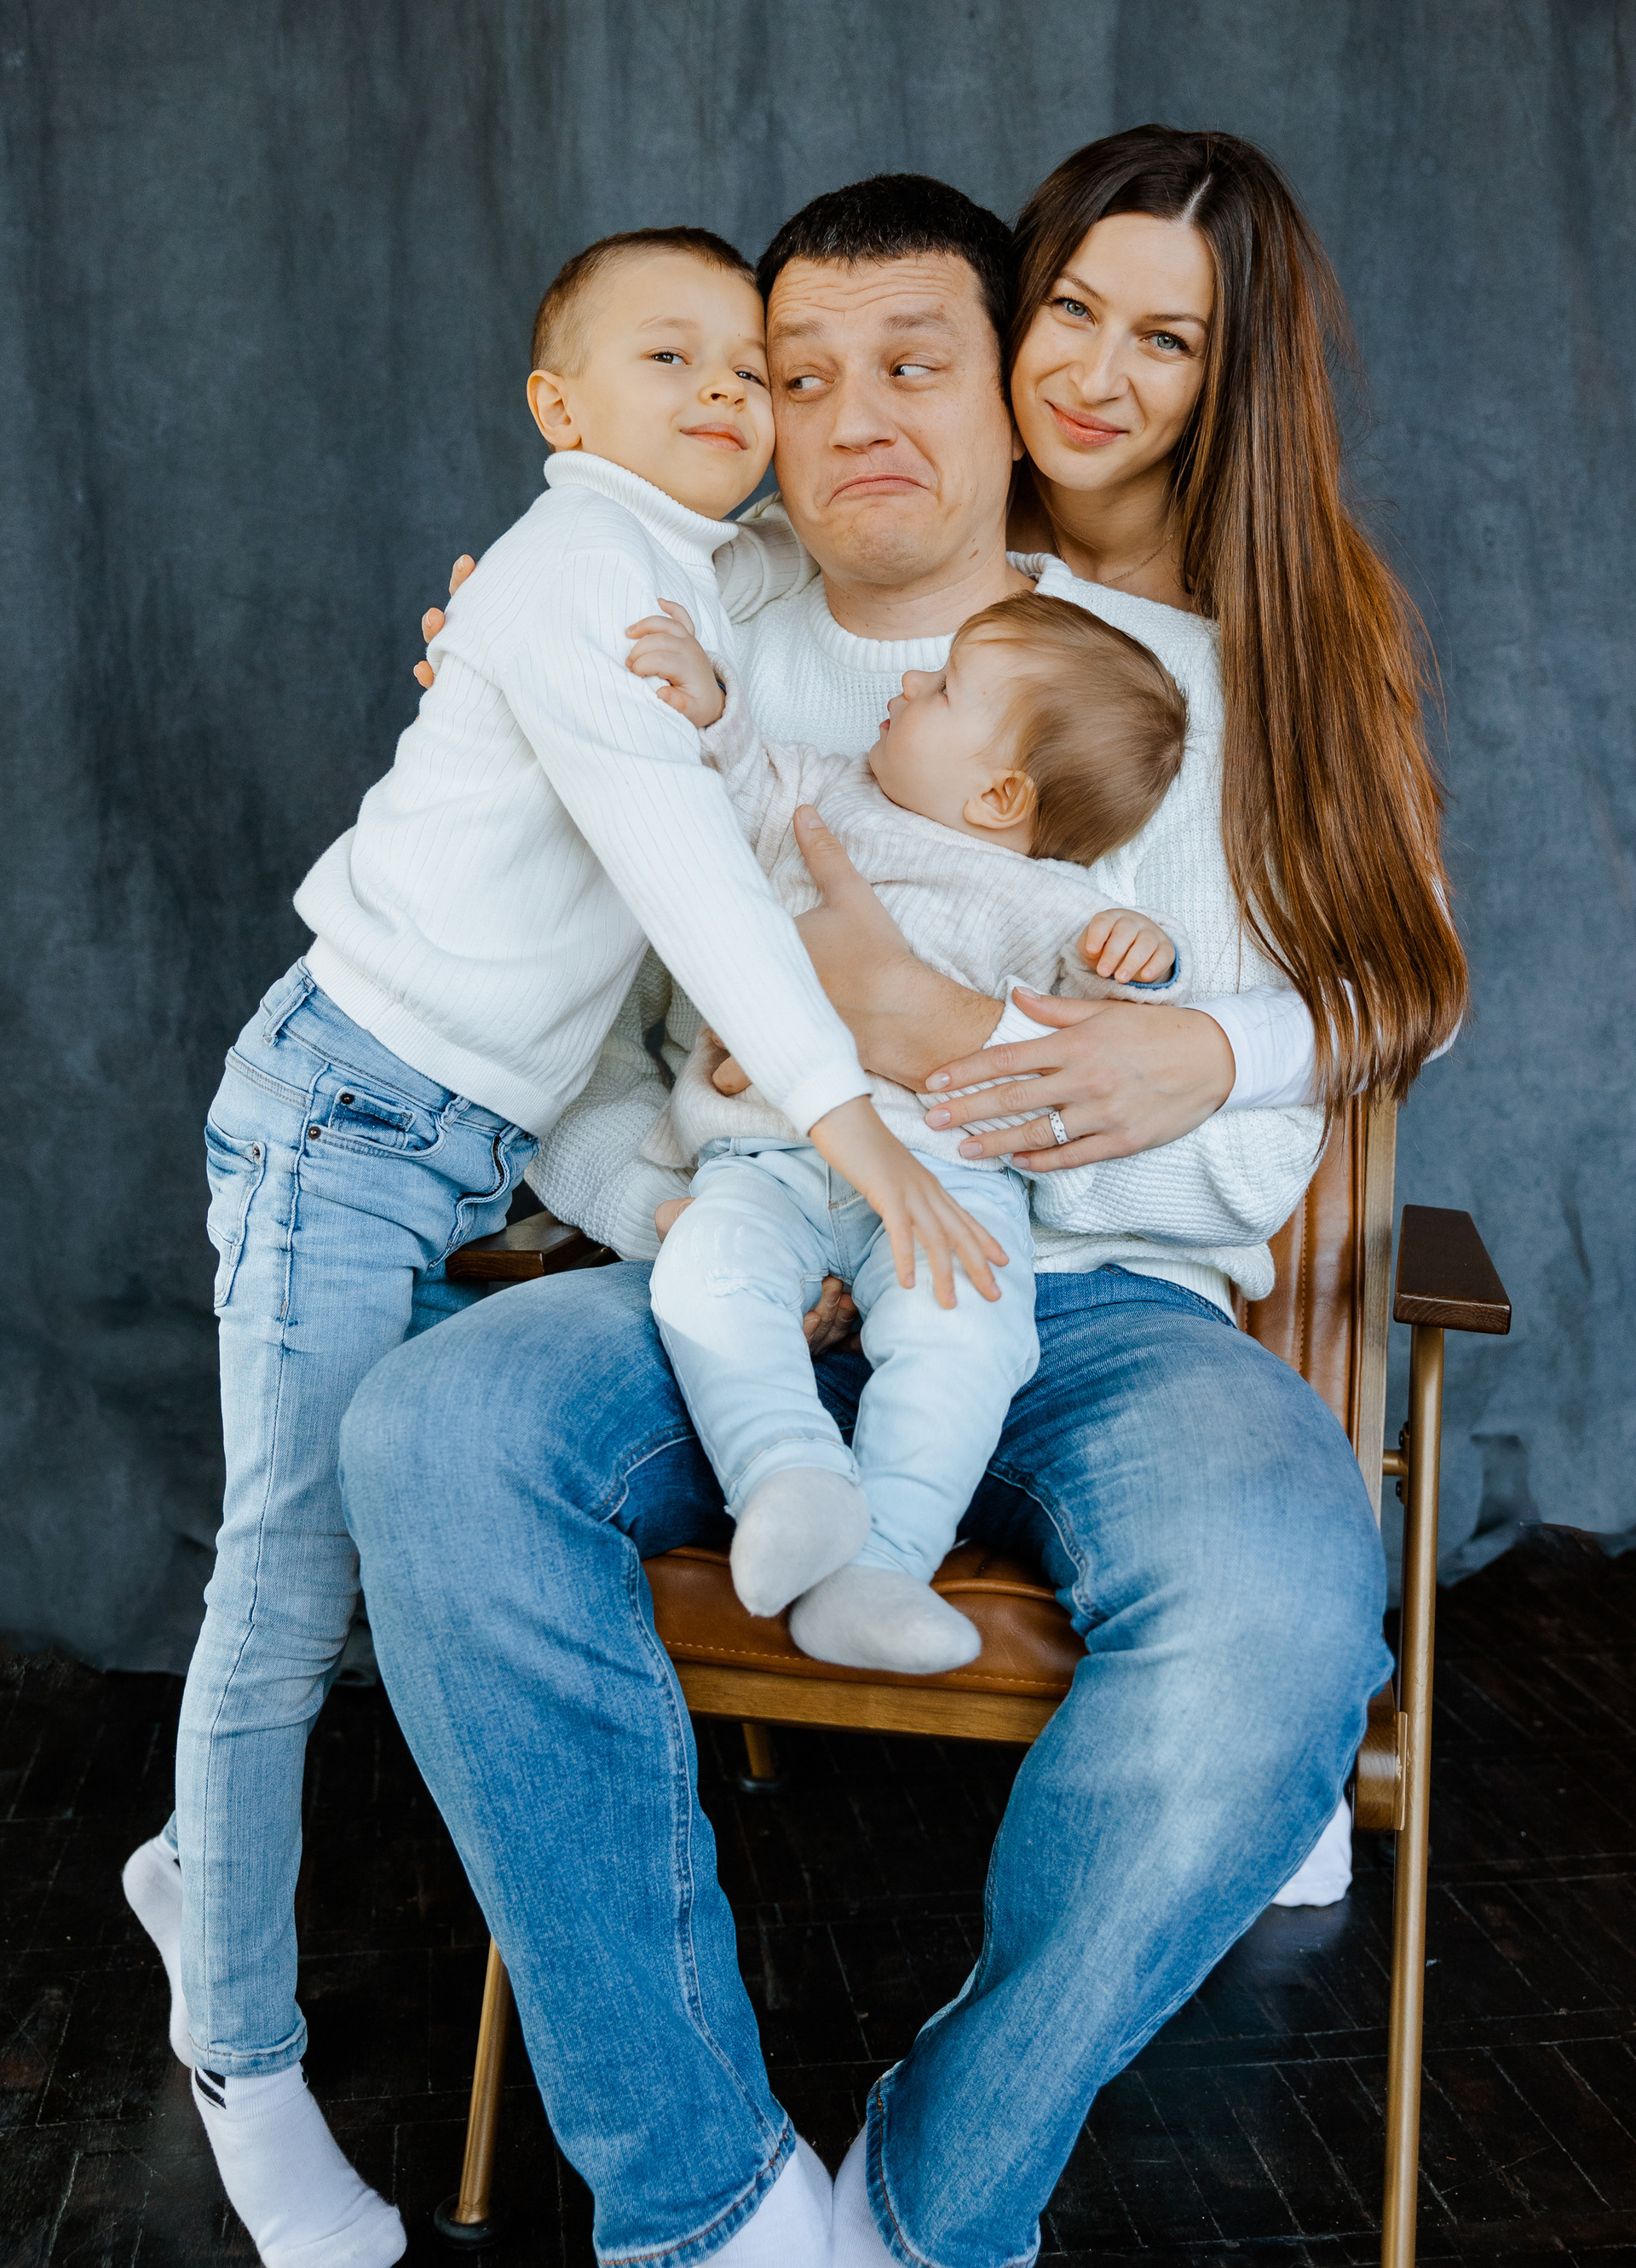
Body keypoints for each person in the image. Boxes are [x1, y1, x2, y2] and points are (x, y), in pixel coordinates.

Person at [343, 140, 1466, 2268]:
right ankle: (709, 2201)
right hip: (744, 1256)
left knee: (1280, 1611)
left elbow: (1250, 1133)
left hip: (1106, 1301)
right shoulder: (676, 645)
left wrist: (955, 1071)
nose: (856, 417)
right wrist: (676, 1197)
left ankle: (943, 2197)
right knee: (433, 1425)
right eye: (801, 373)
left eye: (917, 362)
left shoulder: (1182, 692)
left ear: (1004, 393)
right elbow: (569, 1062)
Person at [121, 223, 1005, 2268]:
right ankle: (235, 2053)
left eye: (746, 363)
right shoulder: (565, 573)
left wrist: (656, 1198)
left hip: (489, 1143)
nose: (727, 391)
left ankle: (198, 1878)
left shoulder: (709, 571)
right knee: (290, 1588)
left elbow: (812, 640)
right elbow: (693, 883)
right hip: (347, 1117)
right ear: (558, 408)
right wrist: (859, 1139)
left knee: (383, 1553)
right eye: (666, 356)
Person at [634, 588, 1189, 1669]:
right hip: (767, 1156)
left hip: (947, 1181)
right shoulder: (823, 791)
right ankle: (787, 1475)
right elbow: (731, 777)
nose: (907, 683)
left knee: (966, 1334)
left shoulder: (1051, 900)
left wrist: (1141, 956)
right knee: (704, 1275)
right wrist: (709, 706)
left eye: (942, 689)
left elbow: (1101, 1034)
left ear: (1000, 794)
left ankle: (881, 1567)